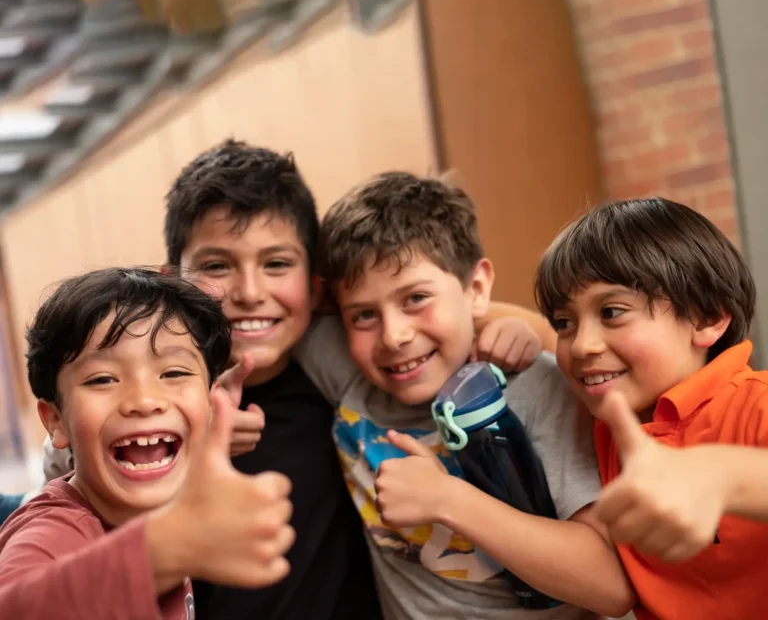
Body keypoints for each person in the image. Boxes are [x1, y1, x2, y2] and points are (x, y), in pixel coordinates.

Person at [42, 141, 545, 619]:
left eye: (277, 264)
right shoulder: (158, 404)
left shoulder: (345, 356)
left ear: (315, 286)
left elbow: (424, 307)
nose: (250, 292)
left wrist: (507, 325)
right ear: (175, 279)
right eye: (217, 265)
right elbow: (73, 464)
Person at [302, 171, 635, 620]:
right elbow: (266, 306)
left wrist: (447, 500)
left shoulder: (538, 389)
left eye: (416, 298)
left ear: (476, 288)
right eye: (363, 315)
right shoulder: (349, 371)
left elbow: (611, 587)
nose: (394, 336)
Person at [0, 268, 294, 619]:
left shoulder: (175, 500)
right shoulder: (54, 531)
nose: (144, 400)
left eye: (173, 373)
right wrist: (168, 547)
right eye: (103, 379)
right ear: (55, 420)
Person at [534, 197, 768, 620]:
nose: (582, 345)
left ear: (706, 318)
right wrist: (501, 323)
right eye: (564, 323)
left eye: (612, 312)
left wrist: (721, 475)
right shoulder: (609, 416)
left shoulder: (757, 402)